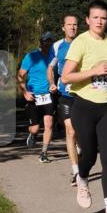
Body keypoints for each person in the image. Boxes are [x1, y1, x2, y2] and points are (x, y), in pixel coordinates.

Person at [60, 0, 107, 213]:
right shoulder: (81, 42)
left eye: (104, 18)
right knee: (89, 155)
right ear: (88, 20)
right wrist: (94, 71)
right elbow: (66, 77)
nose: (100, 21)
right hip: (85, 106)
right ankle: (82, 177)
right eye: (96, 18)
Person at [47, 14, 80, 186]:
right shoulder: (57, 46)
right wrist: (52, 82)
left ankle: (80, 150)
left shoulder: (84, 42)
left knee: (82, 135)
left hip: (83, 95)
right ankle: (76, 171)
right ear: (63, 27)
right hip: (65, 95)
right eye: (69, 25)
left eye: (75, 24)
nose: (73, 27)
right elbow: (50, 67)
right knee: (70, 131)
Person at [18, 32, 57, 162]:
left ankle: (44, 153)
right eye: (45, 41)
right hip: (33, 95)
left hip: (48, 95)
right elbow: (20, 75)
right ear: (41, 42)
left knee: (48, 124)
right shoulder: (31, 56)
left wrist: (53, 85)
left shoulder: (53, 57)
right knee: (35, 128)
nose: (47, 43)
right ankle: (32, 134)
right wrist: (24, 92)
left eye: (50, 41)